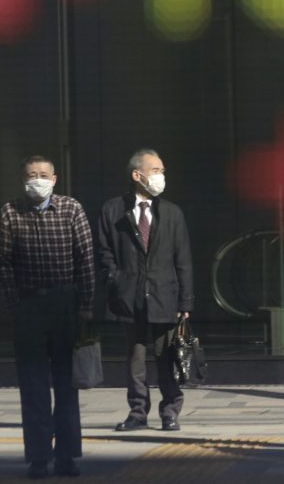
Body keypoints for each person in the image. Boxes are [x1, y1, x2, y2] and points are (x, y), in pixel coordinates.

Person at [0, 156, 95, 480]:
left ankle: (66, 456)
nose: (36, 180)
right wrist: (14, 305)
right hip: (28, 308)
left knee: (67, 387)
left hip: (65, 305)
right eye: (30, 175)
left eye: (42, 175)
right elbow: (3, 262)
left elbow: (86, 260)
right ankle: (38, 457)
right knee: (33, 387)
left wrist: (86, 305)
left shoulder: (71, 209)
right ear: (21, 179)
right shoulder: (11, 211)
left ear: (55, 179)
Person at [99, 149, 193, 432]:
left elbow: (183, 259)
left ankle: (170, 411)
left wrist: (185, 300)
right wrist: (115, 279)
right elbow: (104, 252)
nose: (160, 176)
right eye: (155, 170)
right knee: (135, 359)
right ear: (136, 175)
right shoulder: (113, 210)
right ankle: (138, 412)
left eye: (162, 170)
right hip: (130, 296)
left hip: (165, 295)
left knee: (167, 356)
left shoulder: (172, 212)